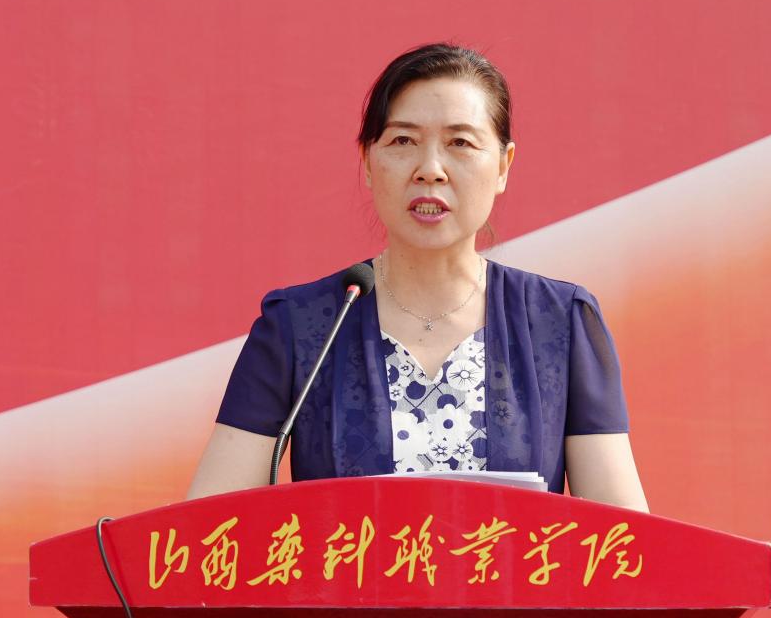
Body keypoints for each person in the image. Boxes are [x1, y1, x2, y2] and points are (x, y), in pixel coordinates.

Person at [187, 43, 648, 511]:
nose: (430, 170)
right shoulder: (301, 327)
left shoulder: (560, 323)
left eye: (460, 143)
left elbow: (624, 538)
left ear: (503, 166)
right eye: (403, 141)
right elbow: (210, 526)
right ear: (368, 162)